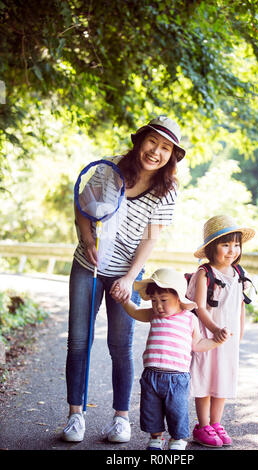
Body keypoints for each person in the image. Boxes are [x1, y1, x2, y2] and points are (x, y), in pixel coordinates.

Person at [62, 116, 186, 443]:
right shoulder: (111, 167)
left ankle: (121, 418)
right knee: (78, 341)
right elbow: (82, 205)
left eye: (165, 148)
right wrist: (88, 242)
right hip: (87, 265)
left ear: (171, 155)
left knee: (120, 345)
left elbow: (150, 239)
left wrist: (130, 278)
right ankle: (75, 416)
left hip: (126, 271)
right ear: (139, 140)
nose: (155, 152)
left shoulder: (167, 190)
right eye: (152, 142)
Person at [113, 268, 229, 450]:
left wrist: (215, 341)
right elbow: (135, 311)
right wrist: (124, 301)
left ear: (178, 298)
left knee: (177, 411)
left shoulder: (189, 319)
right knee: (151, 410)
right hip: (151, 375)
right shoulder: (153, 315)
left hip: (177, 378)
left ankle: (177, 439)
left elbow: (197, 344)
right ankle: (156, 437)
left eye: (164, 300)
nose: (158, 306)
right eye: (154, 301)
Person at [186, 215, 255, 447]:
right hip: (207, 337)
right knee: (205, 379)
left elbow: (241, 310)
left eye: (236, 244)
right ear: (211, 248)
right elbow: (199, 308)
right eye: (225, 244)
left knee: (223, 379)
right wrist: (215, 330)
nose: (232, 250)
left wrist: (239, 334)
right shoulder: (205, 274)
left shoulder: (240, 274)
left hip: (228, 339)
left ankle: (216, 423)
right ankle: (203, 425)